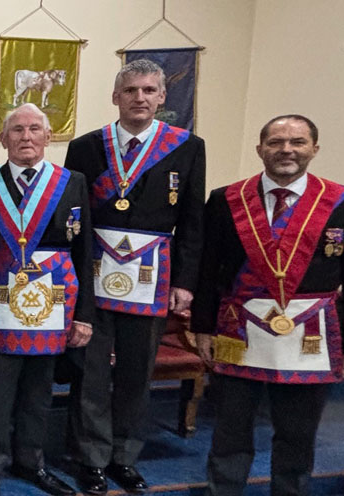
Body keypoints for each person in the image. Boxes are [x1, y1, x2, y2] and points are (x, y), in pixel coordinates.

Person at [193, 114, 344, 496]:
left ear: (314, 149)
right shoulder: (226, 199)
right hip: (236, 332)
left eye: (297, 142)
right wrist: (203, 327)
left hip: (310, 337)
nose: (286, 150)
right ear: (260, 149)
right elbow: (208, 269)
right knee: (229, 432)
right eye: (276, 142)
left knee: (297, 436)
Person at [62, 59, 206, 495]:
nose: (139, 98)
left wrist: (185, 282)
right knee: (89, 371)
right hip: (94, 272)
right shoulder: (86, 146)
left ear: (162, 97)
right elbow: (73, 216)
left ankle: (124, 456)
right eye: (130, 90)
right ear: (115, 96)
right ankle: (90, 458)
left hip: (151, 276)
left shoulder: (187, 146)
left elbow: (192, 220)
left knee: (135, 372)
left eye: (148, 90)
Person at [0, 103, 93, 496]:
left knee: (39, 389)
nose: (26, 137)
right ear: (3, 139)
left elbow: (84, 250)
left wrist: (84, 315)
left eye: (35, 129)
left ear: (48, 137)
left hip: (53, 303)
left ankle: (32, 462)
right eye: (16, 130)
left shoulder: (72, 182)